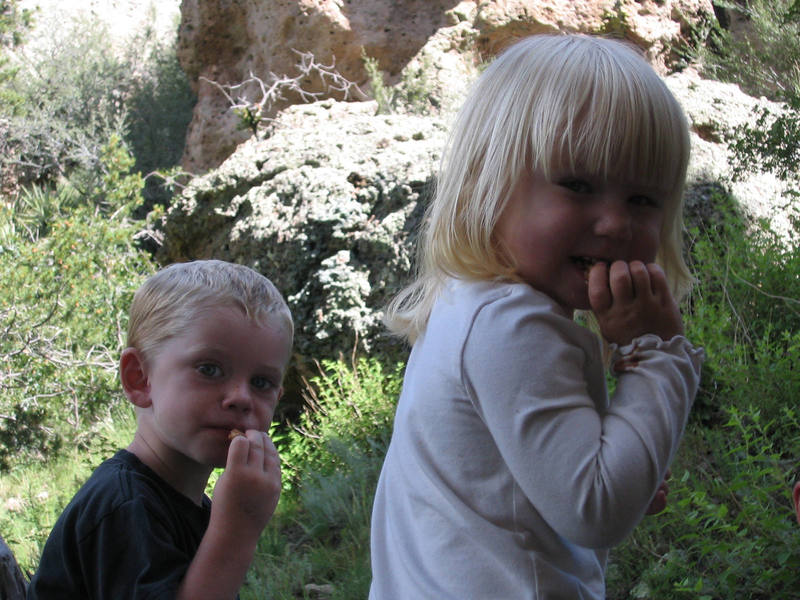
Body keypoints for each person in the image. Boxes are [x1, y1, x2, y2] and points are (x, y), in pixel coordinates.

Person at [369, 34, 705, 599]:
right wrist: (659, 357)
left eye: (644, 200)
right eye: (577, 185)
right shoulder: (511, 326)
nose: (616, 223)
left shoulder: (471, 303)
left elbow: (516, 483)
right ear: (489, 184)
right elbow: (594, 510)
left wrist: (623, 464)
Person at [27, 260, 293, 600]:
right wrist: (237, 529)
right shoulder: (123, 506)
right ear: (140, 378)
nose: (241, 398)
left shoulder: (181, 505)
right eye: (209, 369)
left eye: (261, 382)